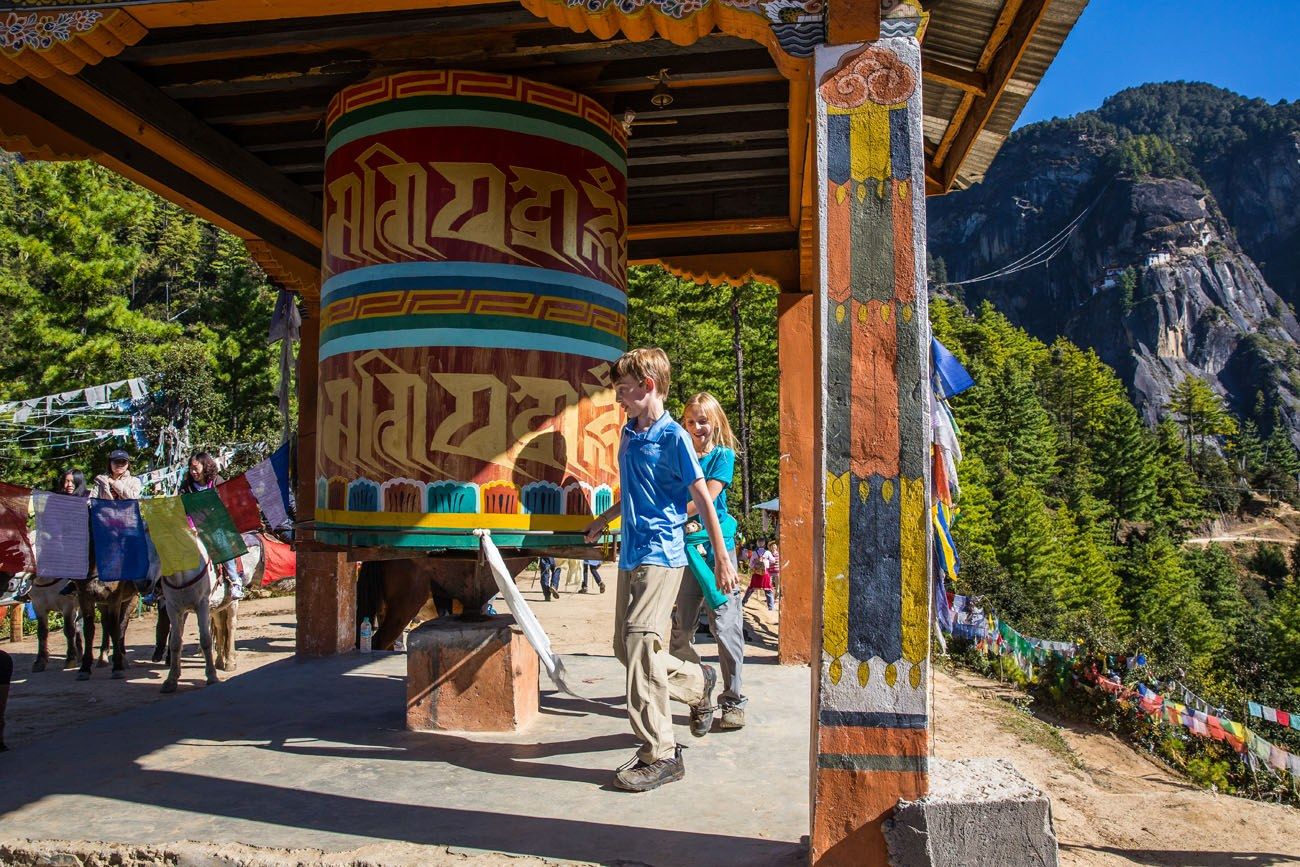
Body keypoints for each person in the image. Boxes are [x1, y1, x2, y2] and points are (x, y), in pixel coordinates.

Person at [584, 347, 737, 793]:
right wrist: (604, 520)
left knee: (639, 641)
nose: (618, 400)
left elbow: (703, 497)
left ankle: (661, 753)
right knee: (624, 647)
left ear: (647, 386)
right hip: (631, 553)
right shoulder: (630, 435)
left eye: (623, 391)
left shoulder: (674, 437)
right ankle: (698, 679)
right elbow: (636, 491)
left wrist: (724, 558)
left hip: (663, 553)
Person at [669, 391, 748, 731]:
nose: (697, 427)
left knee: (725, 625)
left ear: (715, 423)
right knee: (679, 629)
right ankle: (699, 691)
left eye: (703, 420)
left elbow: (707, 498)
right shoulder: (677, 455)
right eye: (690, 421)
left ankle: (733, 700)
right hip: (683, 549)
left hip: (717, 549)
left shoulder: (722, 456)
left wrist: (664, 515)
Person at [179, 450, 246, 600]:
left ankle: (235, 582)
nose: (193, 472)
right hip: (193, 526)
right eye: (191, 468)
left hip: (217, 524)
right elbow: (184, 509)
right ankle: (160, 589)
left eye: (196, 468)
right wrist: (191, 526)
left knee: (221, 543)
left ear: (206, 466)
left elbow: (226, 505)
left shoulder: (217, 482)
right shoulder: (186, 486)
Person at [743, 541, 776, 611]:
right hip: (765, 573)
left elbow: (750, 564)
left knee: (751, 588)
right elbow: (773, 560)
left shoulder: (754, 553)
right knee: (768, 590)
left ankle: (743, 601)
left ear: (757, 544)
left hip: (756, 573)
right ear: (765, 545)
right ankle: (771, 607)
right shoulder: (767, 553)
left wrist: (755, 565)